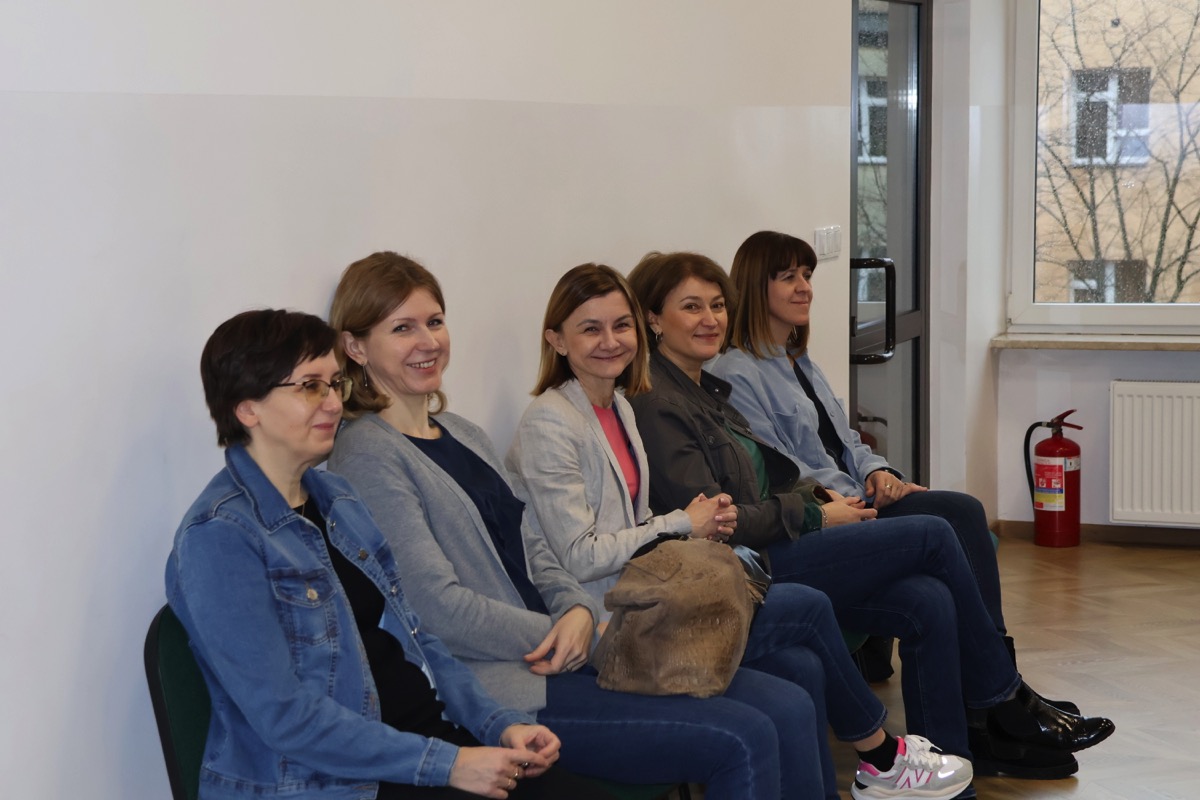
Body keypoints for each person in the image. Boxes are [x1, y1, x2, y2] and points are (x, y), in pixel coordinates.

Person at [325, 251, 824, 800]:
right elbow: (435, 607)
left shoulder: (462, 433)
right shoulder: (368, 453)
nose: (428, 341)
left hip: (570, 642)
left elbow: (532, 544)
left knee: (785, 702)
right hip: (504, 682)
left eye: (434, 321)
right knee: (744, 735)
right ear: (355, 347)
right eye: (402, 328)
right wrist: (561, 629)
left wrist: (576, 611)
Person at [624, 250, 1116, 786]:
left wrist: (856, 484)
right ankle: (1001, 698)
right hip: (747, 567)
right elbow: (720, 521)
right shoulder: (661, 403)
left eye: (717, 305)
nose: (710, 319)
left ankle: (949, 771)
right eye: (691, 307)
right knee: (935, 531)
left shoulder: (704, 388)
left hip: (784, 535)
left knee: (928, 598)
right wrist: (817, 512)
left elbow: (789, 466)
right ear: (654, 319)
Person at [505, 263, 972, 800]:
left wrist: (729, 517)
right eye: (591, 329)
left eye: (620, 325)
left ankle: (878, 768)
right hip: (610, 622)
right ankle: (884, 756)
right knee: (814, 602)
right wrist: (685, 522)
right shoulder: (552, 421)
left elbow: (638, 521)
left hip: (648, 595)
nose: (611, 341)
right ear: (556, 340)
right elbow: (580, 556)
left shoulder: (617, 408)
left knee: (801, 666)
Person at [166, 308, 610, 800]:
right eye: (310, 387)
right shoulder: (220, 536)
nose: (333, 402)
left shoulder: (337, 499)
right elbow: (285, 716)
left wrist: (498, 724)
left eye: (334, 384)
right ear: (247, 408)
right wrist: (448, 764)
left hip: (422, 745)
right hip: (333, 783)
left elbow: (418, 637)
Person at [712, 230, 1013, 663]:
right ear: (756, 286)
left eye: (807, 275)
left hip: (862, 493)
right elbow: (783, 468)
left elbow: (845, 438)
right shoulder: (737, 372)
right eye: (788, 277)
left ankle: (994, 666)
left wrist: (878, 471)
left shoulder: (797, 358)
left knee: (964, 512)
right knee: (958, 518)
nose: (804, 287)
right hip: (835, 509)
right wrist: (849, 495)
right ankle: (997, 669)